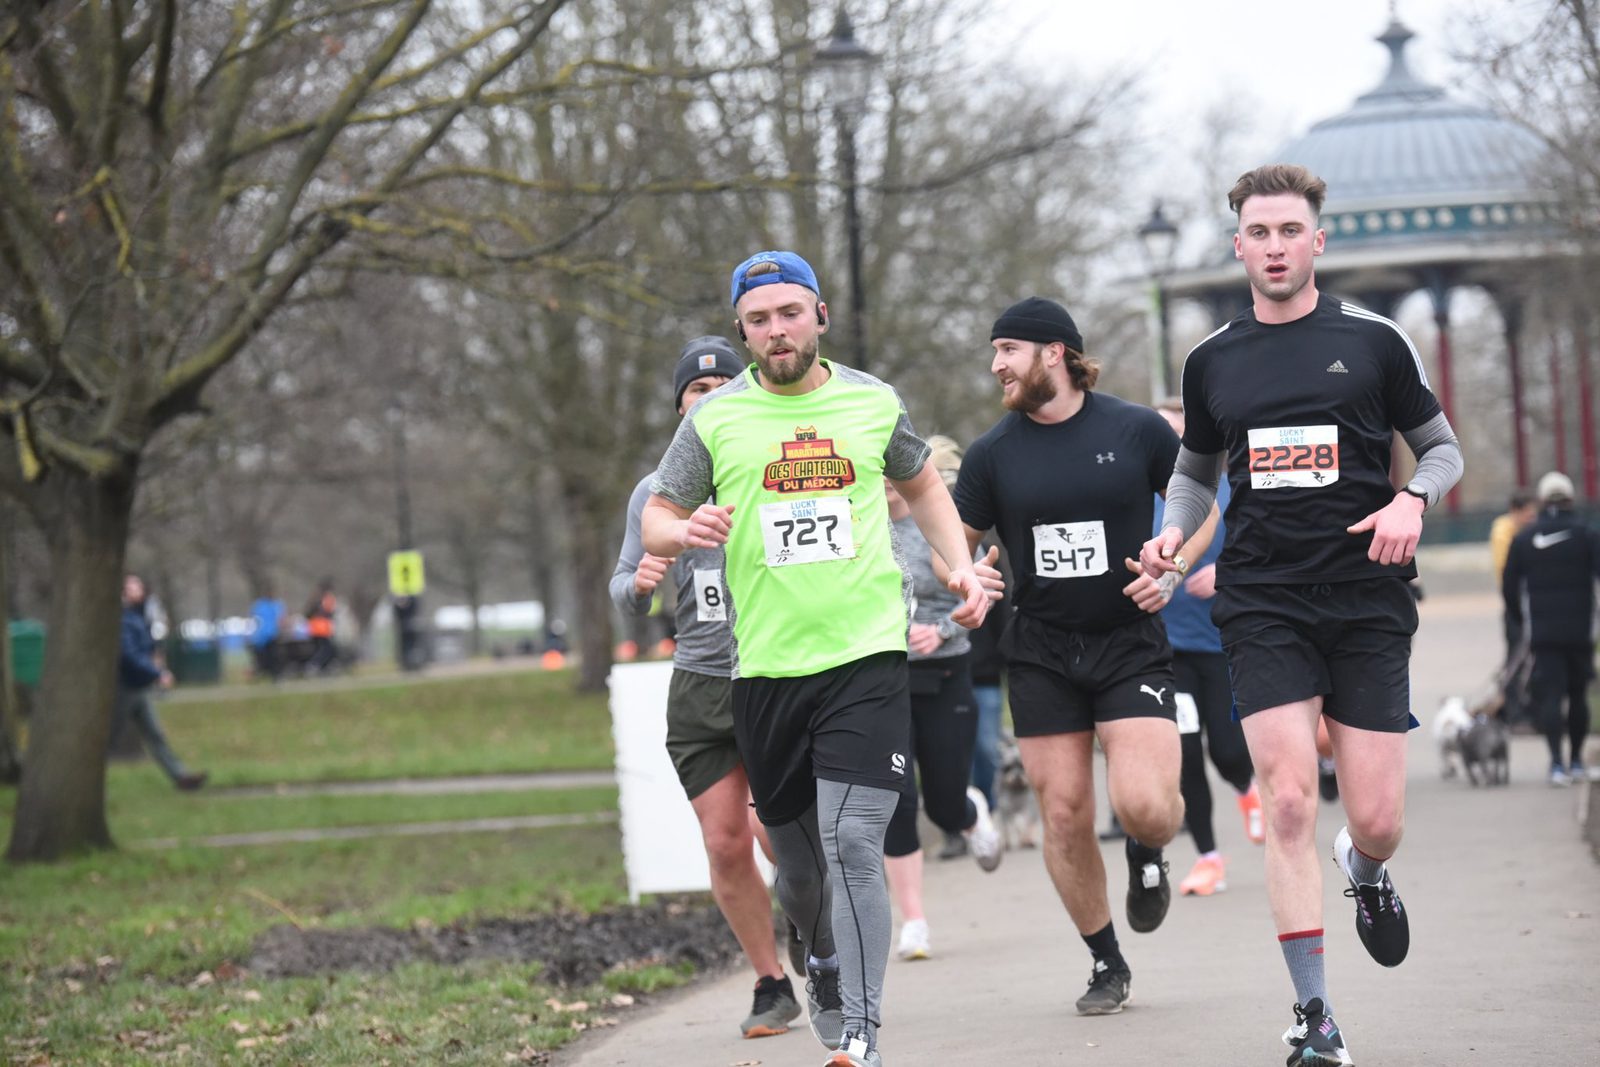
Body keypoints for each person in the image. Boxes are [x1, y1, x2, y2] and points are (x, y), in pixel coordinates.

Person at [1142, 163, 1464, 1066]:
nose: (1275, 246)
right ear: (1237, 243)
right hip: (1263, 597)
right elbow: (1195, 473)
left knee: (1377, 816)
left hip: (1365, 597)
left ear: (1318, 240)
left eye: (1291, 231)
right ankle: (1315, 1018)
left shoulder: (1374, 342)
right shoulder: (1213, 359)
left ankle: (1364, 869)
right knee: (1286, 796)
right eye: (1259, 232)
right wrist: (1174, 537)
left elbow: (1441, 449)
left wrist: (1414, 502)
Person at [641, 250, 991, 1067]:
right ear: (743, 328)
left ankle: (862, 1032)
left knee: (854, 839)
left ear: (820, 315)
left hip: (867, 655)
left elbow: (926, 486)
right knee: (796, 866)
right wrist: (682, 530)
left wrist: (959, 563)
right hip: (762, 671)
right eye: (758, 319)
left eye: (789, 313)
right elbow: (657, 513)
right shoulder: (715, 419)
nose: (776, 331)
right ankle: (819, 951)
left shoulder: (872, 402)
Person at [952, 296, 1218, 1018]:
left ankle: (1147, 851)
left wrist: (1175, 560)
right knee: (1064, 812)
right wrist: (968, 572)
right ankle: (1106, 958)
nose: (996, 364)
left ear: (1055, 353)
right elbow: (959, 539)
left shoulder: (1134, 430)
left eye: (1008, 349)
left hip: (1129, 641)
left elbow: (1201, 498)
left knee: (1146, 806)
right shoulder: (990, 454)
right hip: (1039, 650)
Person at [609, 334, 805, 1040]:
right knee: (725, 842)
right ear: (681, 406)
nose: (711, 395)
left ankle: (812, 922)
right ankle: (770, 980)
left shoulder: (775, 466)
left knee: (779, 833)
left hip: (777, 670)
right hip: (699, 679)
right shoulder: (655, 494)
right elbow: (623, 585)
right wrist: (637, 585)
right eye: (698, 389)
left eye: (725, 383)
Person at [882, 437, 1004, 963]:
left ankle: (971, 812)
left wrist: (938, 630)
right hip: (883, 680)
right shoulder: (858, 523)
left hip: (947, 671)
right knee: (897, 802)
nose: (886, 479)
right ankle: (914, 921)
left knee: (945, 803)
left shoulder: (941, 521)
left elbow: (975, 602)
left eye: (893, 470)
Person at [1152, 399, 1262, 899]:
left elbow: (1262, 545)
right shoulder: (1137, 492)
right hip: (1163, 649)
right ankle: (1207, 858)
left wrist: (1225, 573)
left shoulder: (1225, 488)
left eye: (1173, 430)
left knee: (1228, 746)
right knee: (1186, 754)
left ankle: (1246, 788)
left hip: (1220, 641)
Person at [1502, 471, 1600, 785]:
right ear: (1571, 499)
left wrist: (1520, 621)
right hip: (1581, 629)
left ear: (1542, 501)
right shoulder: (1587, 534)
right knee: (1578, 694)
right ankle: (1576, 762)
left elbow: (1509, 586)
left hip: (1543, 631)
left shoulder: (1525, 538)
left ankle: (1555, 764)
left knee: (1551, 696)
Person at [112, 574, 207, 791]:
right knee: (108, 738)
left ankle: (181, 776)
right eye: (131, 587)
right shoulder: (124, 618)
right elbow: (128, 655)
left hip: (139, 686)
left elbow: (145, 648)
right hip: (124, 688)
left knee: (155, 735)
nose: (137, 590)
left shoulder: (139, 616)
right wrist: (156, 673)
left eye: (138, 586)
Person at [1488, 488, 1538, 729]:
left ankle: (1527, 708)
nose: (1532, 520)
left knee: (1528, 659)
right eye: (1527, 515)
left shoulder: (1520, 532)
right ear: (1515, 512)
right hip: (1515, 604)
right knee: (1516, 659)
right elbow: (1508, 572)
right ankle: (1514, 713)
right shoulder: (1504, 533)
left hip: (1528, 603)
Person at [248, 590, 285, 682]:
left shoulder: (264, 605)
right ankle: (272, 675)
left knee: (271, 657)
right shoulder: (270, 605)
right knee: (270, 657)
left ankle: (273, 675)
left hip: (268, 635)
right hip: (266, 636)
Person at [305, 579, 338, 673]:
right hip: (322, 629)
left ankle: (322, 668)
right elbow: (330, 612)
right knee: (326, 649)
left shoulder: (314, 599)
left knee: (320, 648)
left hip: (313, 628)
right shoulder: (327, 598)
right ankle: (314, 664)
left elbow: (307, 614)